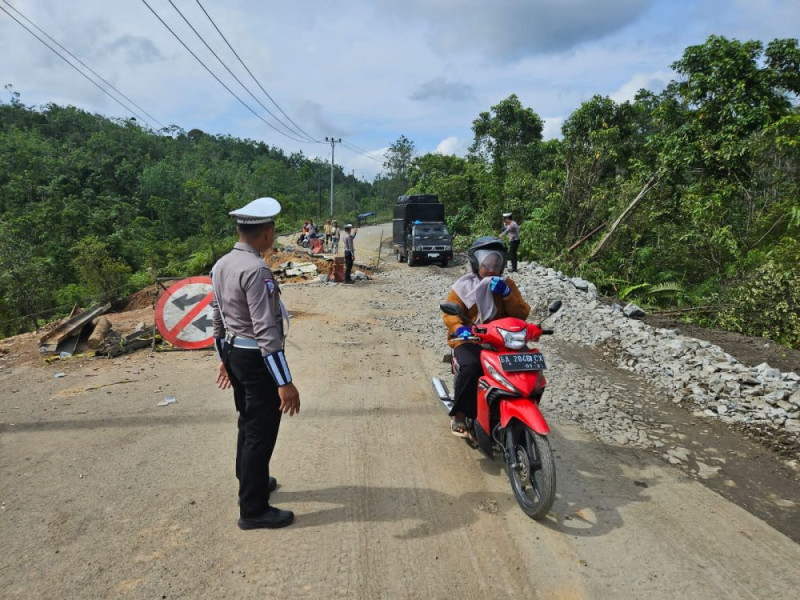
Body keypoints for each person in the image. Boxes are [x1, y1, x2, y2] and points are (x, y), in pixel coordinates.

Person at [211, 196, 300, 530]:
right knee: (260, 431)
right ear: (267, 232)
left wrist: (223, 358)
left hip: (236, 354)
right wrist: (284, 382)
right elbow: (265, 330)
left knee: (247, 422)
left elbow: (217, 317)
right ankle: (253, 509)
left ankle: (252, 479)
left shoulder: (221, 265)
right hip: (255, 358)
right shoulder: (256, 269)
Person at [442, 236, 530, 437]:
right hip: (470, 339)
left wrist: (507, 295)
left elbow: (522, 314)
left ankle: (519, 404)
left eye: (495, 265)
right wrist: (459, 328)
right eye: (486, 265)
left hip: (502, 339)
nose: (491, 270)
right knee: (471, 367)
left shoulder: (507, 285)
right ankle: (460, 415)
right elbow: (450, 313)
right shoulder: (463, 286)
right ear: (476, 264)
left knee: (525, 364)